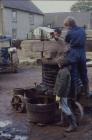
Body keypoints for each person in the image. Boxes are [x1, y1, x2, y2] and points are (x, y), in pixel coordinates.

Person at [64, 16, 89, 96]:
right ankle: (86, 92)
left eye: (67, 26)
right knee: (84, 73)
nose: (67, 28)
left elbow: (66, 42)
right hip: (82, 53)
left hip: (73, 53)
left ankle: (75, 94)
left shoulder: (69, 32)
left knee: (74, 74)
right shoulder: (82, 30)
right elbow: (84, 40)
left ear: (69, 25)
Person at [54, 55, 77, 132]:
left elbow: (62, 85)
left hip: (63, 94)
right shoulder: (65, 70)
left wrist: (58, 94)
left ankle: (73, 125)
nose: (58, 64)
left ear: (62, 64)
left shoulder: (63, 72)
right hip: (64, 93)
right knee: (64, 107)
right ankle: (64, 122)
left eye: (58, 63)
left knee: (66, 108)